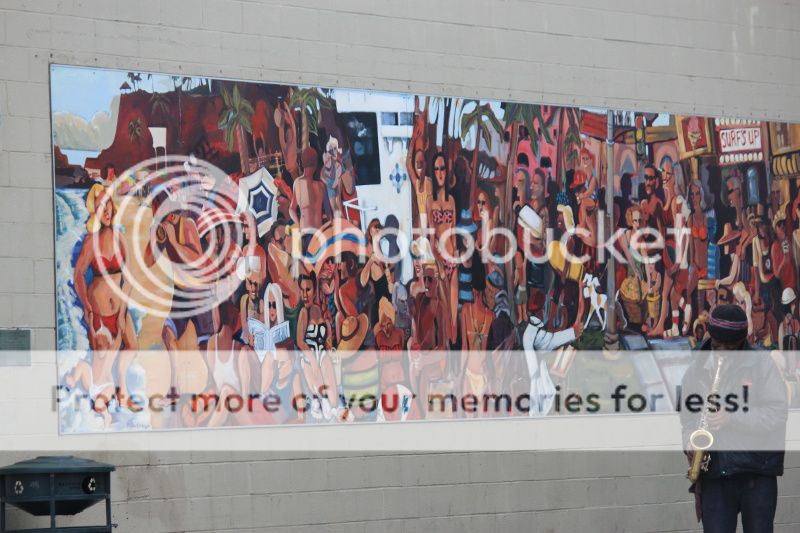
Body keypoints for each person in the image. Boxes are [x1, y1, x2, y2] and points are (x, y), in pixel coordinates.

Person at [680, 304, 788, 532]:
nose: (723, 354)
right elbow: (688, 418)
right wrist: (689, 440)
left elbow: (777, 414)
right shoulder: (696, 369)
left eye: (731, 348)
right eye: (718, 346)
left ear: (742, 342)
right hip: (714, 475)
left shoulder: (763, 364)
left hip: (756, 473)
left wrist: (732, 417)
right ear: (711, 337)